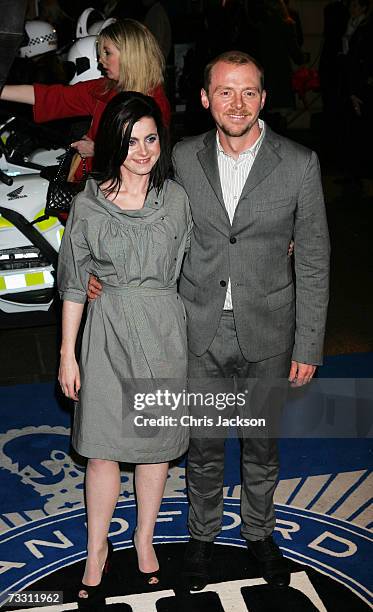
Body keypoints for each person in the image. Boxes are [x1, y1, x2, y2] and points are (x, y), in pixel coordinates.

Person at [88, 50, 330, 590]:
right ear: (204, 99)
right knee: (202, 446)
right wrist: (97, 272)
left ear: (263, 98)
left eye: (249, 92)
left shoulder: (299, 164)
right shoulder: (180, 160)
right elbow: (138, 217)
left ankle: (259, 534)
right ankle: (201, 537)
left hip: (268, 332)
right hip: (195, 328)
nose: (237, 103)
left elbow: (314, 260)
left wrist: (308, 344)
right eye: (225, 91)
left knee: (261, 445)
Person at [58, 91, 191, 607]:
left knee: (155, 450)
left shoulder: (177, 200)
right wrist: (68, 353)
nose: (143, 150)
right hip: (108, 329)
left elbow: (210, 253)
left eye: (151, 138)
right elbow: (73, 284)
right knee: (102, 448)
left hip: (163, 332)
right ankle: (97, 548)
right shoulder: (88, 203)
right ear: (113, 143)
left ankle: (143, 538)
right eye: (131, 140)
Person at [0, 18, 170, 181]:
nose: (100, 60)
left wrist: (98, 151)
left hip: (122, 195)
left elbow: (151, 157)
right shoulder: (105, 88)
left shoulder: (153, 103)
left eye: (107, 53)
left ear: (130, 55)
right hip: (92, 186)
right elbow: (51, 96)